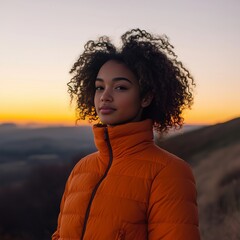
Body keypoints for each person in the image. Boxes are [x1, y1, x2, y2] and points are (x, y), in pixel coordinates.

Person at [52, 28, 200, 240]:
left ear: (146, 98)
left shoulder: (169, 172)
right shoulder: (81, 169)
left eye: (120, 87)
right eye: (99, 87)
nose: (105, 97)